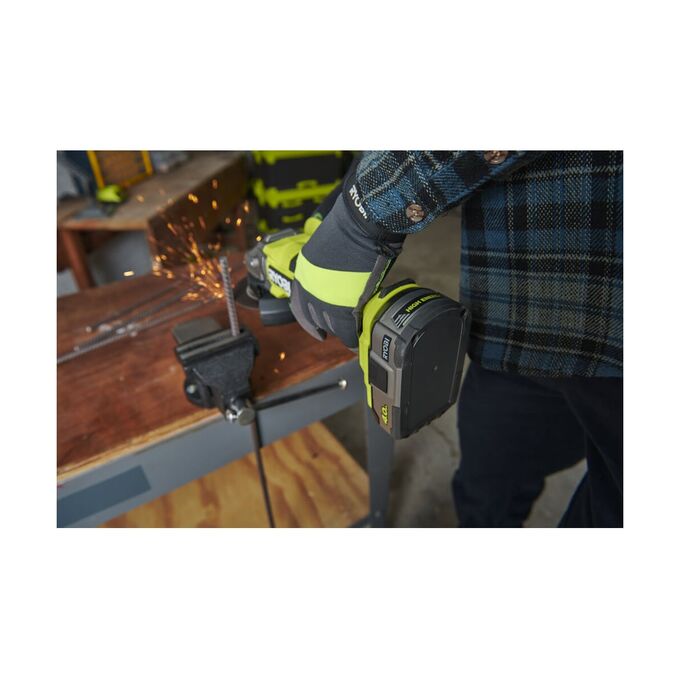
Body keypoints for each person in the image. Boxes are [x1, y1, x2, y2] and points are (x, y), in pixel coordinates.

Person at [290, 151, 623, 528]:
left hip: (616, 329)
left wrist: (362, 215)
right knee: (485, 483)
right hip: (517, 311)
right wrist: (344, 197)